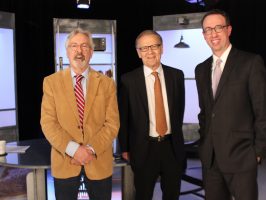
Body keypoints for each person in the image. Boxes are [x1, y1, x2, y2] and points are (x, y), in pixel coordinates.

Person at [195, 9, 266, 200]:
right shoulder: (201, 69)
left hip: (242, 157)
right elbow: (206, 112)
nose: (213, 34)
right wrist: (203, 144)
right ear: (203, 35)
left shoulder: (251, 62)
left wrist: (258, 152)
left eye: (218, 28)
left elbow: (264, 111)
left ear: (229, 30)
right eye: (208, 30)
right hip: (211, 159)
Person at [40, 28, 119, 200]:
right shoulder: (51, 82)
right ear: (67, 51)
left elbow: (112, 124)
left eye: (84, 46)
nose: (79, 51)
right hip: (65, 160)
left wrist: (89, 150)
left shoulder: (107, 84)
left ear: (91, 52)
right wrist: (74, 150)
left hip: (98, 161)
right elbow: (48, 123)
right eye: (74, 46)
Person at [118, 30, 186, 200]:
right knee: (143, 195)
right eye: (144, 48)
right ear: (138, 53)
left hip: (172, 146)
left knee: (172, 195)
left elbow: (179, 110)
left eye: (154, 46)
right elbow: (123, 117)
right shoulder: (128, 80)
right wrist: (125, 147)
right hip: (143, 149)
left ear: (162, 48)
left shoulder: (177, 76)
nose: (150, 52)